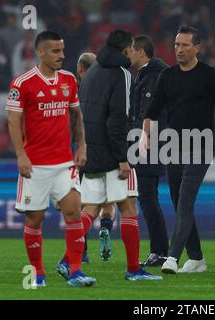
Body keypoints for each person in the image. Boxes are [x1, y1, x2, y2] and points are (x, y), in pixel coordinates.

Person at [140, 25, 215, 274]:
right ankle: (197, 258)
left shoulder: (210, 75)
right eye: (176, 45)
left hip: (202, 145)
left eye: (185, 45)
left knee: (185, 199)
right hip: (174, 147)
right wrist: (144, 137)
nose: (179, 49)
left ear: (197, 48)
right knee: (179, 201)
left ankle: (172, 257)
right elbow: (152, 112)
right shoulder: (167, 76)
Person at [6, 30, 96, 287]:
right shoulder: (22, 83)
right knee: (35, 218)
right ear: (41, 52)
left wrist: (82, 146)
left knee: (74, 212)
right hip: (35, 165)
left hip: (64, 163)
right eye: (55, 51)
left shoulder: (68, 80)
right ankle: (38, 274)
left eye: (62, 50)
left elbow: (76, 115)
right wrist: (20, 155)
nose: (62, 55)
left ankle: (76, 271)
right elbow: (13, 121)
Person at [74, 29, 162, 281]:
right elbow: (118, 120)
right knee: (128, 206)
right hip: (113, 153)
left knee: (91, 208)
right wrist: (123, 157)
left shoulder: (91, 73)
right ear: (125, 49)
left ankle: (68, 260)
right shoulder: (122, 74)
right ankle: (134, 269)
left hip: (91, 150)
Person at [128, 34, 170, 267]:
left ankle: (160, 250)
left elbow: (148, 114)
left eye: (132, 50)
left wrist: (141, 144)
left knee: (147, 197)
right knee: (148, 197)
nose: (129, 54)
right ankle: (160, 249)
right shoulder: (148, 74)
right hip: (149, 144)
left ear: (141, 52)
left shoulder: (152, 76)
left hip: (149, 145)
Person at [76, 52, 116, 263]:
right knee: (108, 200)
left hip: (77, 155)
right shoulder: (107, 90)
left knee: (82, 206)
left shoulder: (72, 91)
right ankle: (106, 227)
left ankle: (80, 250)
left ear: (80, 69)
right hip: (104, 154)